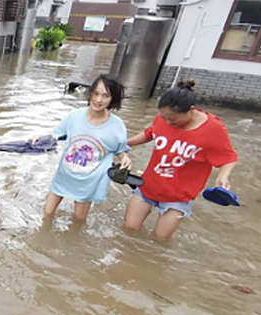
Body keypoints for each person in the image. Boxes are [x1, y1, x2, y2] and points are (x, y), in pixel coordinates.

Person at [123, 80, 238, 241]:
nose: (168, 122)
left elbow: (228, 157)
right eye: (164, 118)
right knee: (128, 230)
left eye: (173, 120)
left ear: (190, 111)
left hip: (178, 196)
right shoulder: (165, 116)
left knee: (160, 240)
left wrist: (223, 176)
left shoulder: (213, 129)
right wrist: (125, 143)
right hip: (148, 185)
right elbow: (150, 133)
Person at [33, 74, 132, 221]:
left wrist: (125, 158)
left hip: (88, 181)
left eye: (105, 96)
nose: (98, 100)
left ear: (113, 99)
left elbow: (119, 150)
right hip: (64, 175)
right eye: (96, 93)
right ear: (90, 93)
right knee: (46, 214)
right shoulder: (74, 116)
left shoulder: (116, 126)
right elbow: (56, 135)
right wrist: (39, 138)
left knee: (78, 221)